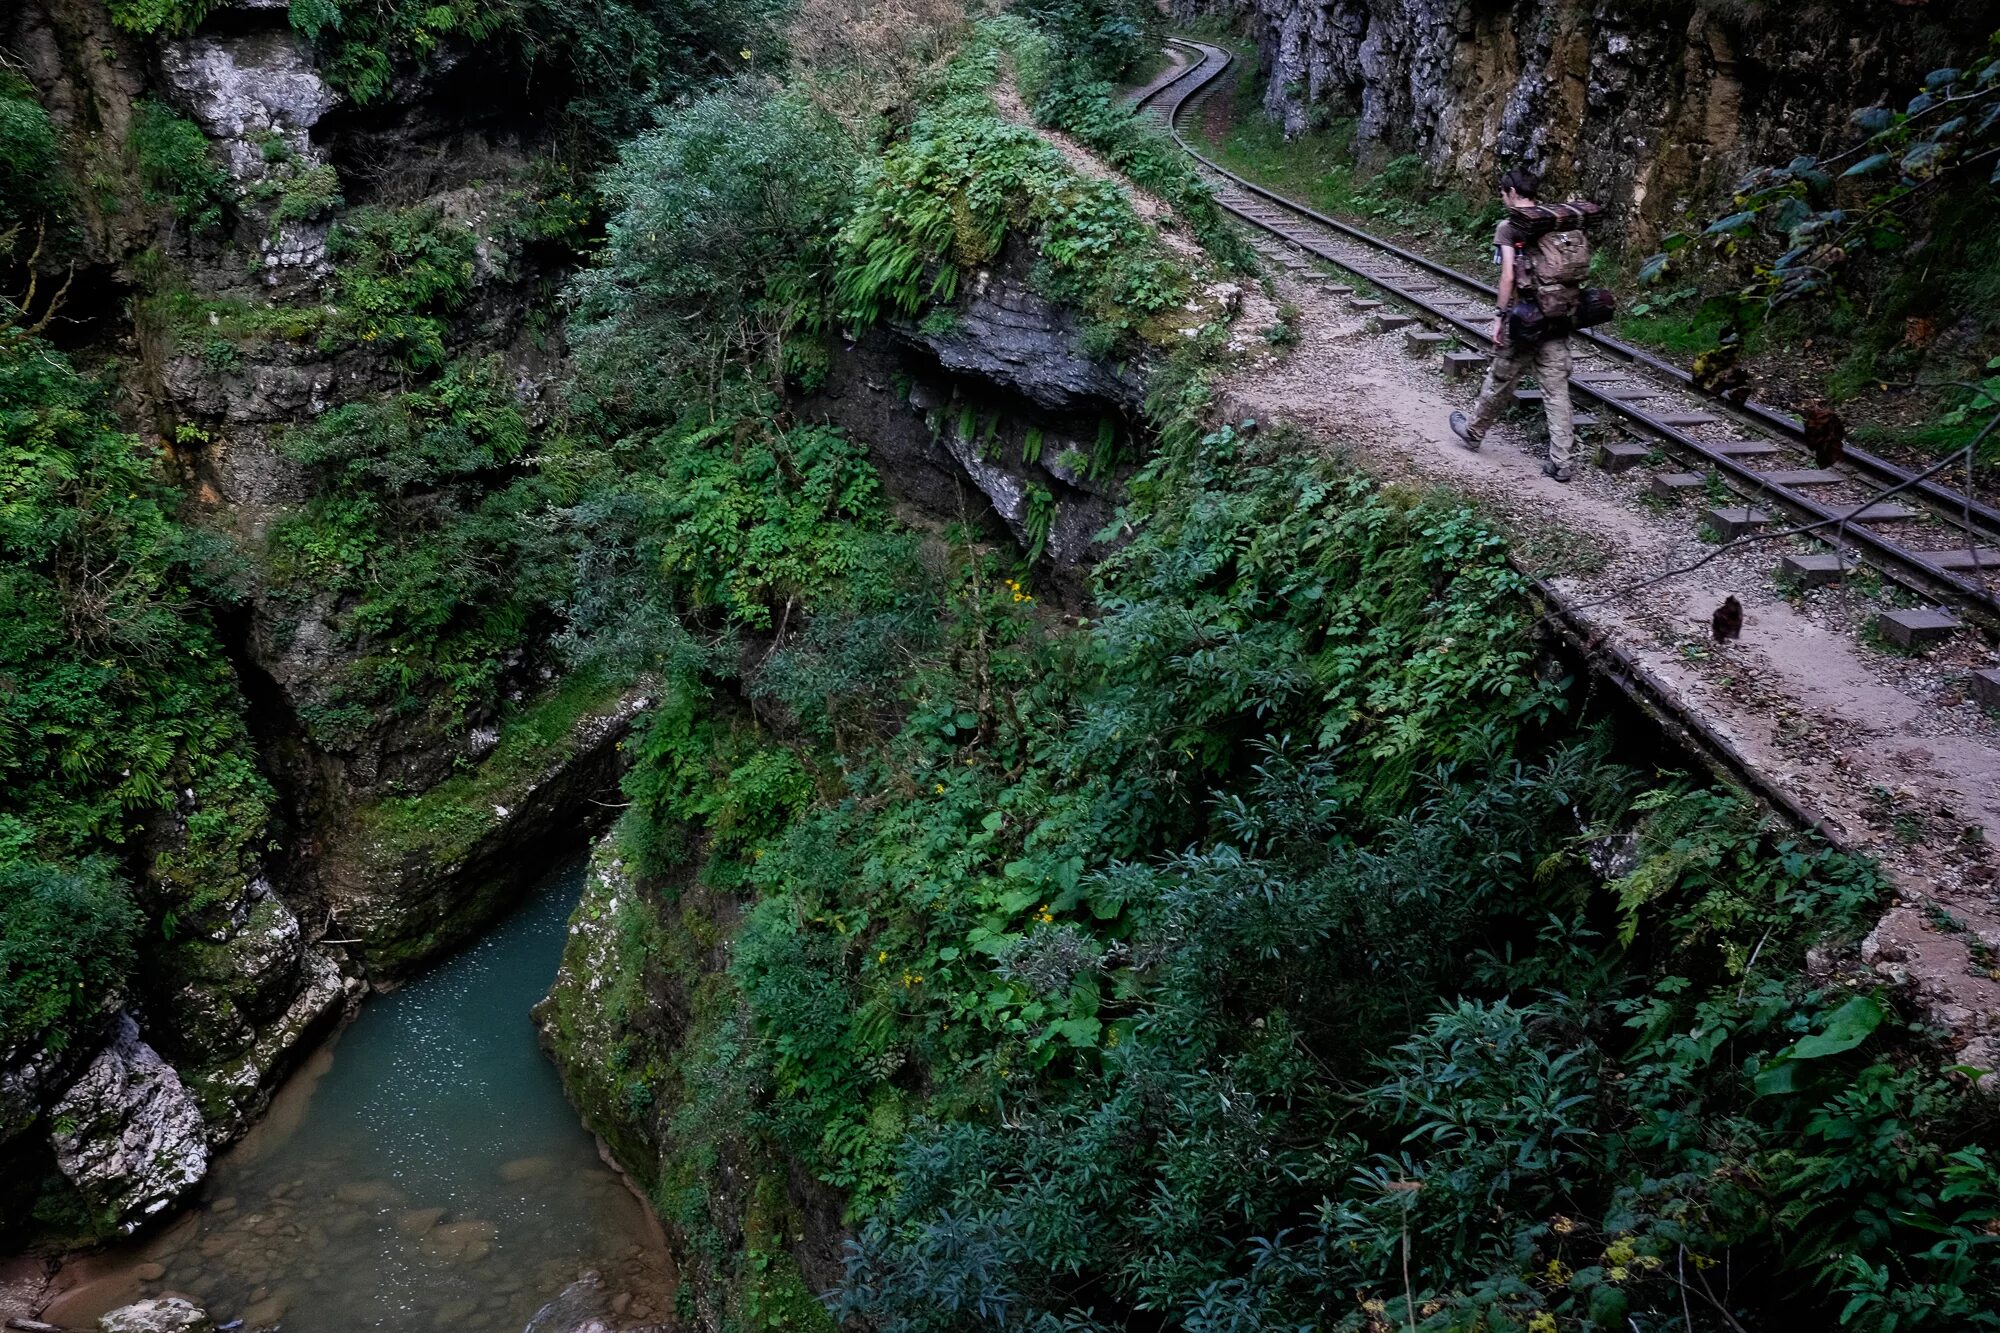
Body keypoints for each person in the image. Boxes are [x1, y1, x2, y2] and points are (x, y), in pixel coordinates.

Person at [1449, 167, 1577, 483]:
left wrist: (1498, 315)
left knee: (1500, 378)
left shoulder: (1510, 226)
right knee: (1557, 390)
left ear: (1512, 193)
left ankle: (1473, 431)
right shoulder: (1554, 220)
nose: (1502, 199)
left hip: (1524, 319)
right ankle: (1562, 462)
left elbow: (1507, 276)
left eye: (1503, 193)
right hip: (1558, 315)